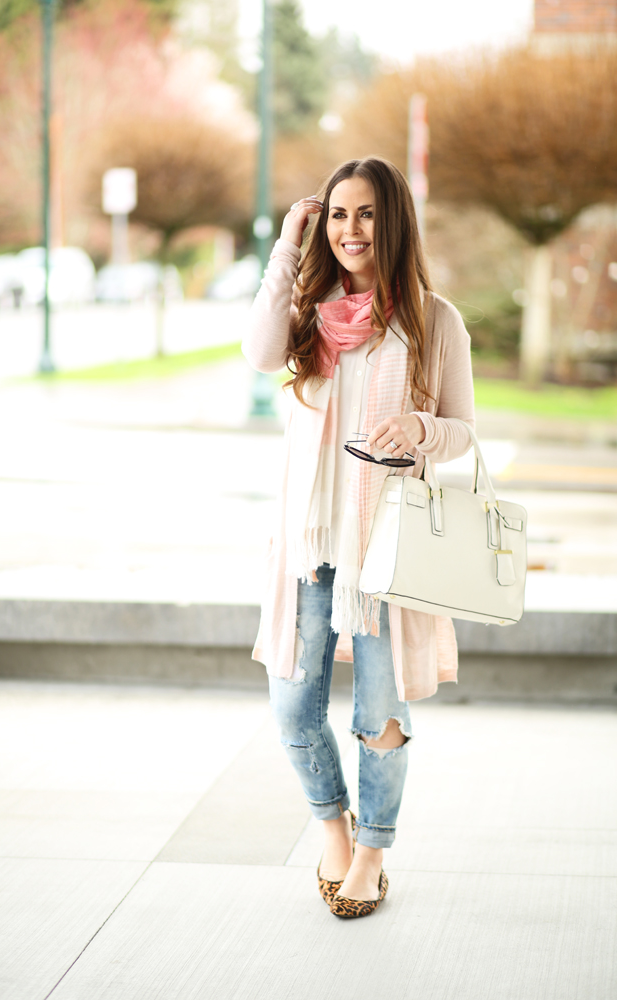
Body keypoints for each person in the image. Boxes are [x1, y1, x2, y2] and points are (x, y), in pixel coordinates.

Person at [242, 156, 475, 919]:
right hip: (310, 547)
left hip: (387, 553)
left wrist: (420, 427)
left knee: (379, 714)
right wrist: (286, 245)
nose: (350, 230)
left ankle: (372, 851)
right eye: (338, 215)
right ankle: (333, 829)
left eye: (366, 214)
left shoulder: (433, 321)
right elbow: (258, 353)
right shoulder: (308, 312)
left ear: (393, 221)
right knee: (290, 707)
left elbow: (464, 437)